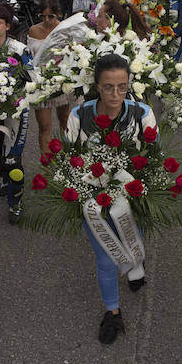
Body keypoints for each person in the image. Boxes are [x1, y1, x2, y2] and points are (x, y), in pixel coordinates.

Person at [65, 54, 156, 344]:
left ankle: (134, 268)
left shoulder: (142, 114)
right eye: (108, 87)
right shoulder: (80, 116)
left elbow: (155, 157)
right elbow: (70, 158)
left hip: (132, 198)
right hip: (93, 199)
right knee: (105, 258)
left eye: (122, 87)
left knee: (132, 240)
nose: (115, 94)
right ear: (97, 86)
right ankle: (112, 312)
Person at [0, 4, 31, 225]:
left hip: (17, 112)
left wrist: (18, 95)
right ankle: (4, 178)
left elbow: (34, 79)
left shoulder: (20, 49)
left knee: (13, 162)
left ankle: (15, 203)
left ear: (7, 26)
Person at [26, 0, 73, 154]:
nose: (46, 21)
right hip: (40, 84)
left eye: (50, 16)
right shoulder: (33, 30)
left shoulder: (64, 29)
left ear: (58, 14)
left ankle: (66, 160)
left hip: (61, 82)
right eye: (42, 16)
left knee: (65, 121)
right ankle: (47, 168)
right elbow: (29, 58)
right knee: (44, 127)